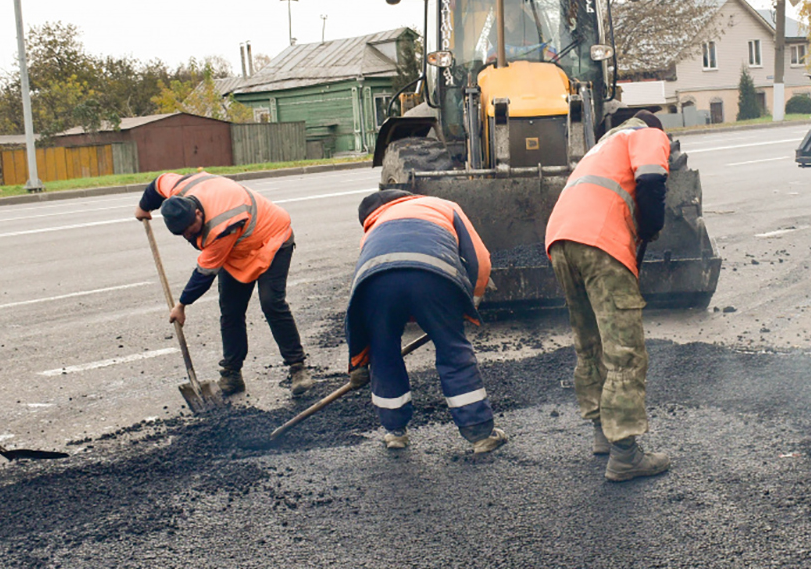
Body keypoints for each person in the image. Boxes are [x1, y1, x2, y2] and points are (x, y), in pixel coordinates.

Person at [545, 109, 672, 482]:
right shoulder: (645, 134)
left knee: (589, 343)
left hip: (560, 241)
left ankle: (602, 434)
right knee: (623, 351)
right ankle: (626, 454)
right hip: (601, 243)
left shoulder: (600, 148)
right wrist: (650, 229)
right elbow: (651, 180)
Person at [344, 190, 507, 453]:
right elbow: (479, 258)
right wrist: (470, 303)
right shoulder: (443, 206)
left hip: (375, 285)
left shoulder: (373, 229)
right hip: (434, 276)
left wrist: (359, 361)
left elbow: (357, 304)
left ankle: (395, 433)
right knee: (452, 350)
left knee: (383, 354)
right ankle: (480, 435)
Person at [135, 171, 315, 397]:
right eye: (184, 234)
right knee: (231, 310)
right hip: (237, 250)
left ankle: (297, 367)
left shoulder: (221, 225)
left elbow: (204, 274)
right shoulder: (180, 191)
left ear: (198, 213)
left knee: (271, 302)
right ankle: (232, 374)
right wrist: (144, 207)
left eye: (193, 230)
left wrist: (181, 305)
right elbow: (158, 183)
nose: (190, 236)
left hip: (271, 239)